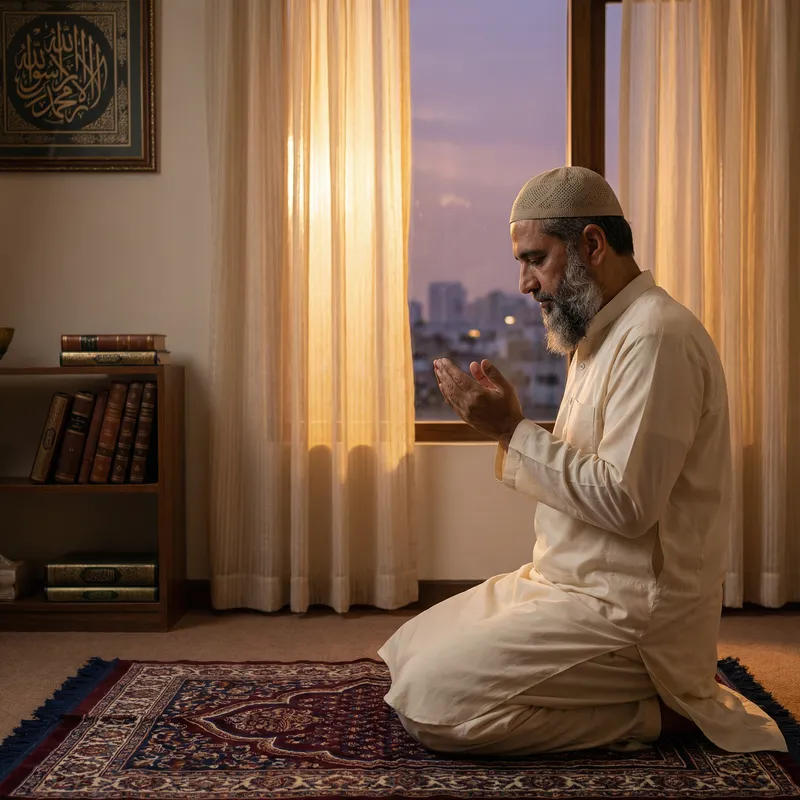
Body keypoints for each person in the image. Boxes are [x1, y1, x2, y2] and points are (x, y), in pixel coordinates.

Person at [377, 166, 787, 756]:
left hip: (630, 613)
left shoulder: (656, 338)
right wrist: (514, 427)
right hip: (564, 584)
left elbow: (625, 503)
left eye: (534, 258)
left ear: (591, 245)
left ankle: (660, 716)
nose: (523, 282)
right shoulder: (599, 335)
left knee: (435, 703)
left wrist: (511, 430)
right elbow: (589, 470)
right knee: (406, 652)